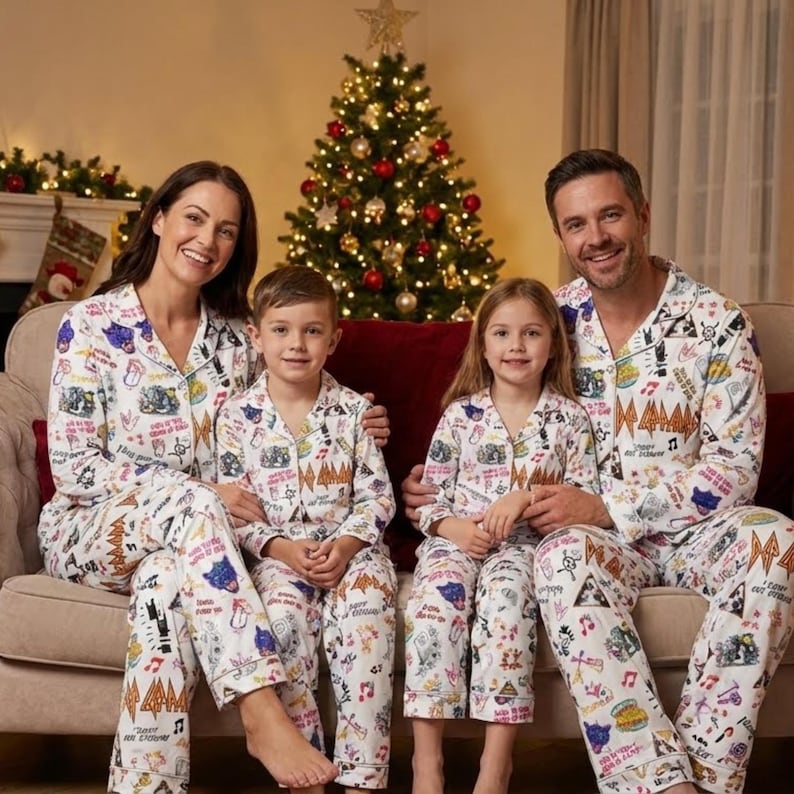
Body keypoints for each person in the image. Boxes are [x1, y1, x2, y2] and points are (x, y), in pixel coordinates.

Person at [402, 149, 794, 794]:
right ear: (561, 237)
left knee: (775, 539)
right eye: (576, 224)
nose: (596, 237)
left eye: (610, 215)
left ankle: (701, 778)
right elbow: (482, 406)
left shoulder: (717, 324)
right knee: (559, 558)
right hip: (591, 544)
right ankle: (655, 781)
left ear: (642, 216)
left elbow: (735, 470)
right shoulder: (547, 320)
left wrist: (611, 506)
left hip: (699, 532)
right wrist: (433, 487)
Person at [37, 161, 390, 794]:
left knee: (164, 587)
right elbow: (75, 467)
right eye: (194, 218)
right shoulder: (89, 327)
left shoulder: (235, 340)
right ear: (158, 219)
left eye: (226, 230)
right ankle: (260, 710)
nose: (207, 240)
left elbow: (289, 399)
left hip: (198, 550)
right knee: (195, 509)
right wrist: (196, 493)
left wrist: (358, 418)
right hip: (93, 530)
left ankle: (146, 787)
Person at [404, 277, 599, 794]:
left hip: (526, 550)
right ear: (483, 345)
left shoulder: (570, 420)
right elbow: (429, 502)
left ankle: (496, 765)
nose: (516, 346)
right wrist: (454, 528)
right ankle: (427, 764)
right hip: (455, 542)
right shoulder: (460, 416)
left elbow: (582, 498)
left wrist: (526, 498)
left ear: (553, 343)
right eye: (502, 333)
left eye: (531, 333)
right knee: (433, 605)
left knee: (507, 604)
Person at [214, 265, 398, 794]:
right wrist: (282, 549)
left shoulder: (354, 412)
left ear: (333, 340)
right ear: (256, 337)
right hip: (278, 557)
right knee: (280, 622)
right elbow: (236, 513)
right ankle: (304, 774)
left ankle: (363, 777)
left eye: (312, 331)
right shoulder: (236, 418)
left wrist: (346, 545)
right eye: (281, 329)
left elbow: (377, 497)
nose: (296, 344)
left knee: (368, 617)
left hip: (353, 551)